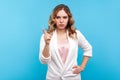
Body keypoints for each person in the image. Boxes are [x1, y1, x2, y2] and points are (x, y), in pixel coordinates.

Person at [39, 4, 92, 80]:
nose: (61, 21)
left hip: (72, 77)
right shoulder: (46, 36)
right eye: (58, 17)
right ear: (54, 19)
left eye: (64, 17)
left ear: (69, 19)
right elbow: (44, 61)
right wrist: (47, 44)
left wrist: (82, 67)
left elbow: (88, 48)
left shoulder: (75, 34)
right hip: (53, 78)